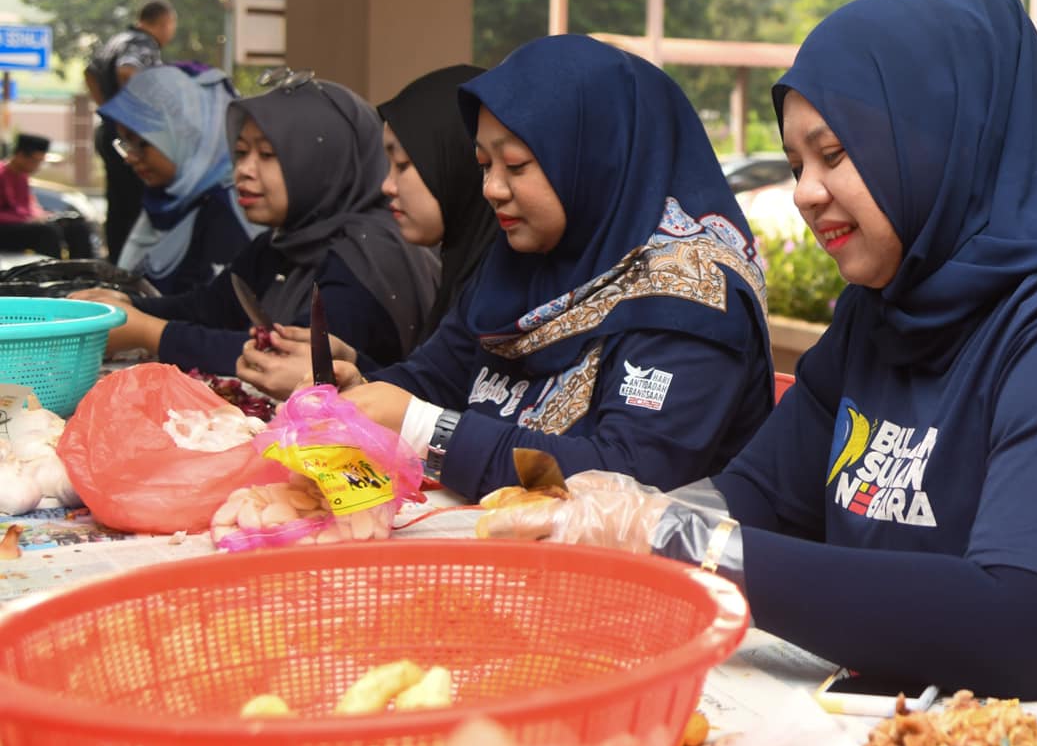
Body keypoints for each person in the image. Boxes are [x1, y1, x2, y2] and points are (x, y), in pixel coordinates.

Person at [482, 0, 1037, 746]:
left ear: (939, 138)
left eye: (835, 153)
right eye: (796, 161)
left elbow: (1026, 625)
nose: (804, 193)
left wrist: (676, 537)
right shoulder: (884, 311)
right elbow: (760, 495)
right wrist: (611, 529)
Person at [324, 36, 775, 503]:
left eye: (516, 165)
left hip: (628, 570)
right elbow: (441, 374)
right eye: (484, 164)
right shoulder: (524, 259)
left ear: (596, 158)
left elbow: (627, 479)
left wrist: (426, 429)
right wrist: (369, 396)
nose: (492, 189)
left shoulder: (690, 296)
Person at [78, 75, 438, 377]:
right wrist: (125, 307)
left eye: (267, 155)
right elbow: (212, 307)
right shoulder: (286, 241)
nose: (244, 171)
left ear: (323, 164)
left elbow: (290, 359)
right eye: (241, 152)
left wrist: (150, 332)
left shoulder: (368, 257)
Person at [238, 65, 496, 398]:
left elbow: (459, 421)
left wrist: (345, 390)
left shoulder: (375, 251)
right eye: (240, 152)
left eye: (402, 164)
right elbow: (430, 391)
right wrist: (356, 369)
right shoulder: (467, 268)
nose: (386, 185)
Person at [96, 65, 252, 294]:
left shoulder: (231, 213)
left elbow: (213, 321)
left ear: (183, 134)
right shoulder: (167, 202)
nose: (129, 157)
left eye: (140, 142)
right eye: (124, 144)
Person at [83, 0, 175, 259]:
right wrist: (133, 114)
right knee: (138, 203)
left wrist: (108, 108)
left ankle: (116, 263)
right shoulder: (143, 44)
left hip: (109, 131)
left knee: (118, 204)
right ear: (166, 22)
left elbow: (89, 73)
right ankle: (133, 267)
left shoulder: (117, 40)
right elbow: (127, 70)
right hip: (132, 136)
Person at [0, 135, 94, 260]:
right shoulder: (2, 174)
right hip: (5, 228)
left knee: (77, 226)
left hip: (22, 223)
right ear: (20, 155)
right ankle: (51, 274)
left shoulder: (22, 177)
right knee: (46, 232)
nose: (37, 166)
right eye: (35, 161)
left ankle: (82, 273)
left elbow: (29, 206)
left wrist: (46, 216)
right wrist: (25, 219)